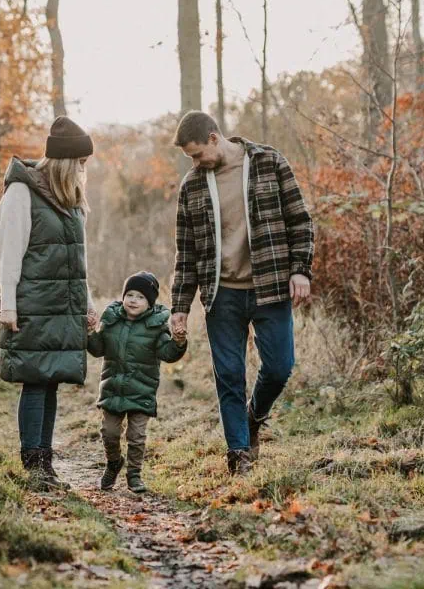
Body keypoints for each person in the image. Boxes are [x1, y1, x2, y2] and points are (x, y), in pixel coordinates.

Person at [169, 111, 315, 476]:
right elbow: (186, 252)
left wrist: (300, 269)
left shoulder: (269, 162)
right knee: (229, 375)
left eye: (197, 154)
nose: (195, 163)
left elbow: (300, 220)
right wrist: (180, 306)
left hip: (270, 287)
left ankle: (254, 416)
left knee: (280, 367)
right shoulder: (192, 186)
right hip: (222, 295)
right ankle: (238, 454)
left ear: (214, 138)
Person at [0, 116, 98, 489]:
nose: (83, 170)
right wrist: (8, 305)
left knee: (52, 380)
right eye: (80, 162)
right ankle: (33, 467)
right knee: (36, 382)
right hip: (33, 304)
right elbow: (8, 253)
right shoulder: (21, 193)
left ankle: (45, 465)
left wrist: (87, 303)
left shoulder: (71, 200)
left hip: (63, 306)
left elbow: (76, 262)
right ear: (65, 161)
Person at [87, 271, 187, 494]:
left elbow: (168, 353)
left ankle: (134, 474)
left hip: (142, 390)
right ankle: (113, 463)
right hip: (113, 388)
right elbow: (97, 349)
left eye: (140, 297)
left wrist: (178, 341)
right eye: (130, 295)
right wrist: (90, 332)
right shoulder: (111, 319)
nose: (133, 300)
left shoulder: (156, 326)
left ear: (150, 303)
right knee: (109, 433)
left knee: (136, 436)